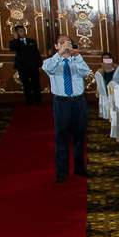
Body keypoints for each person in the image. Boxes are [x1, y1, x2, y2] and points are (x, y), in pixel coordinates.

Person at [42, 34, 90, 182]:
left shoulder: (76, 61)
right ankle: (62, 171)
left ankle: (80, 168)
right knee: (62, 137)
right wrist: (60, 55)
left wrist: (76, 56)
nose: (66, 45)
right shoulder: (52, 62)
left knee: (80, 136)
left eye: (68, 42)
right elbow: (47, 69)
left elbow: (85, 72)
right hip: (62, 103)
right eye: (62, 43)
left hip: (78, 102)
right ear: (56, 46)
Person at [10, 24, 43, 106]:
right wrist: (15, 39)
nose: (23, 33)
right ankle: (29, 101)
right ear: (17, 33)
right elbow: (13, 48)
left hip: (33, 66)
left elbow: (37, 54)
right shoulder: (15, 42)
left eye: (23, 31)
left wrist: (39, 65)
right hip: (22, 67)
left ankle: (38, 101)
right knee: (26, 85)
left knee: (36, 85)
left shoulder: (31, 41)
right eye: (20, 31)